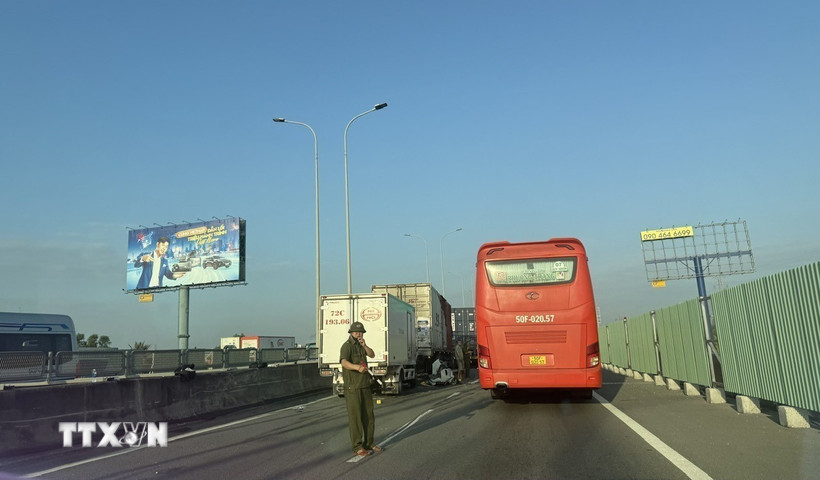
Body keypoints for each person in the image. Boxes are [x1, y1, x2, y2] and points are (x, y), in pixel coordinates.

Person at [340, 321, 382, 456]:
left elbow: (372, 354)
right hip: (353, 387)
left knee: (369, 416)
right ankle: (357, 446)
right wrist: (357, 367)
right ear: (351, 333)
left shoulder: (360, 345)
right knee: (356, 417)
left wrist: (365, 345)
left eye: (361, 332)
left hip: (365, 385)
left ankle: (369, 443)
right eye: (356, 332)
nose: (358, 334)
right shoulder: (347, 346)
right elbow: (344, 362)